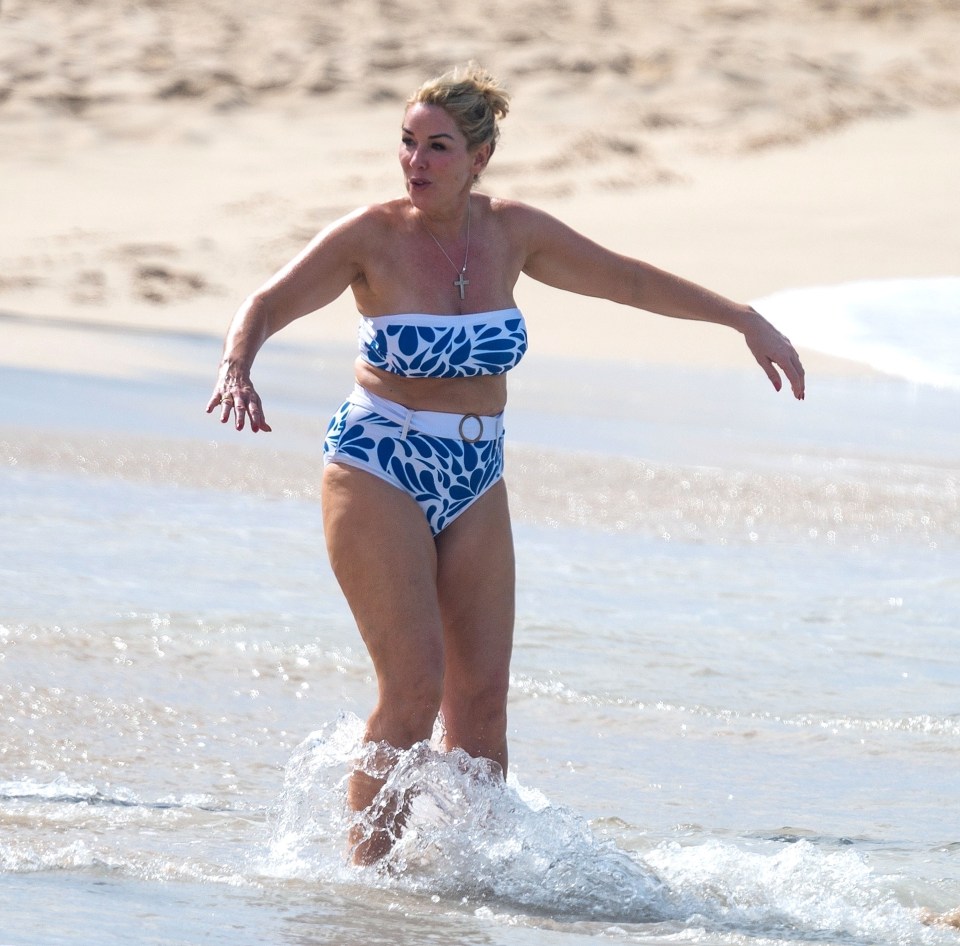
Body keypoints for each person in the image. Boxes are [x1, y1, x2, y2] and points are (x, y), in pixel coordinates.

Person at [206, 63, 805, 864]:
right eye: (409, 144)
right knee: (413, 691)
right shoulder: (370, 236)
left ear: (479, 156)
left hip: (476, 474)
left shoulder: (510, 233)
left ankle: (469, 883)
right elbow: (267, 302)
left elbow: (623, 279)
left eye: (439, 147)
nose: (417, 161)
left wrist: (741, 318)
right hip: (377, 460)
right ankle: (368, 890)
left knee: (481, 706)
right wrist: (237, 363)